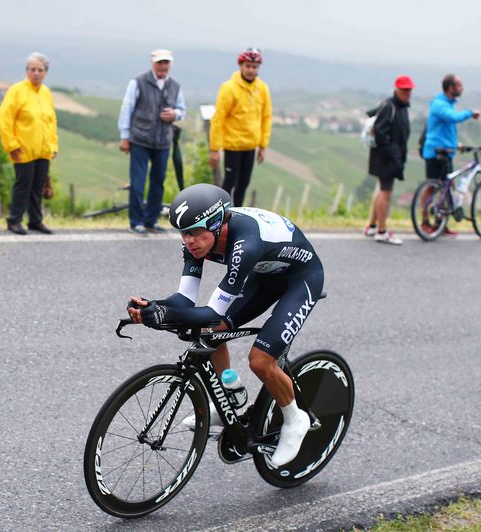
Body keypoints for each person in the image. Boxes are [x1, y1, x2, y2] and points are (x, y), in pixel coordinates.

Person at [126, 183, 322, 467]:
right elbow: (184, 299)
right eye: (183, 233)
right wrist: (152, 307)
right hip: (263, 275)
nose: (188, 240)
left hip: (301, 278)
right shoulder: (195, 243)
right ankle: (232, 399)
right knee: (210, 334)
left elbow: (211, 311)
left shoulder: (246, 244)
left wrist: (164, 315)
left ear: (217, 225)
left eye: (194, 232)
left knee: (260, 360)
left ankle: (295, 419)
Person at [118, 49, 186, 236]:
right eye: (160, 63)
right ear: (153, 63)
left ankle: (151, 220)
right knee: (138, 183)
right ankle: (136, 222)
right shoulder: (138, 82)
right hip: (140, 139)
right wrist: (125, 136)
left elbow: (182, 110)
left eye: (166, 63)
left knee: (158, 182)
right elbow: (127, 108)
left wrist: (175, 114)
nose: (163, 66)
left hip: (163, 141)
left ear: (170, 65)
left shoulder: (175, 86)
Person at [0, 52, 59, 235]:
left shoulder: (46, 92)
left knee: (38, 187)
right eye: (32, 69)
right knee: (23, 186)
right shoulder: (16, 90)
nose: (36, 73)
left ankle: (35, 221)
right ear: (27, 71)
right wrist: (12, 145)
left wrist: (53, 146)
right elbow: (5, 119)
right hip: (23, 148)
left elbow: (52, 121)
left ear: (46, 72)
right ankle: (14, 220)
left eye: (40, 70)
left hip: (43, 149)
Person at [209, 48, 272, 207]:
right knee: (229, 184)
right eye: (247, 66)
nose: (251, 70)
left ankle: (237, 216)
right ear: (240, 65)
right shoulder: (229, 88)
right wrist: (215, 149)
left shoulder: (262, 88)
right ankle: (220, 215)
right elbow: (218, 119)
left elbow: (266, 117)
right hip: (233, 145)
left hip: (250, 146)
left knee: (243, 184)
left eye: (254, 66)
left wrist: (263, 146)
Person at [421, 74, 480, 236]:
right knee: (431, 186)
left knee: (448, 186)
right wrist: (470, 113)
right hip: (434, 153)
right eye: (459, 85)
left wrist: (456, 144)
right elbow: (453, 118)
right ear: (450, 88)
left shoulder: (448, 103)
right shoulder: (439, 104)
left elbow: (446, 129)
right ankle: (425, 222)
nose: (462, 88)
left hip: (447, 151)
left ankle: (441, 224)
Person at [364, 75, 414, 246]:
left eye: (409, 90)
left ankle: (371, 226)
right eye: (405, 90)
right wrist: (392, 153)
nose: (408, 93)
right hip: (386, 158)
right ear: (397, 89)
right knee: (386, 193)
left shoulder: (400, 107)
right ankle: (382, 231)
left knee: (382, 191)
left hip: (388, 157)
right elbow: (380, 132)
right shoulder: (389, 106)